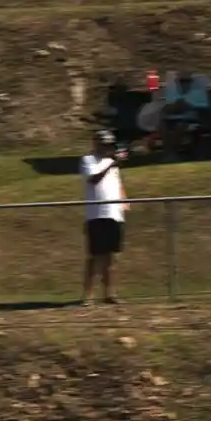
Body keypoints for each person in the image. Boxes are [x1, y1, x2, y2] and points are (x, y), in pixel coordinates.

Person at [80, 130, 129, 306]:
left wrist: (124, 204)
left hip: (114, 214)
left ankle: (110, 293)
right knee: (94, 256)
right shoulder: (88, 160)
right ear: (95, 144)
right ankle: (88, 295)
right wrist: (112, 164)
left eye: (109, 144)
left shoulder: (112, 163)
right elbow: (93, 180)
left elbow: (116, 185)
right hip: (97, 214)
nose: (107, 148)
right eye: (104, 144)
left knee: (111, 257)